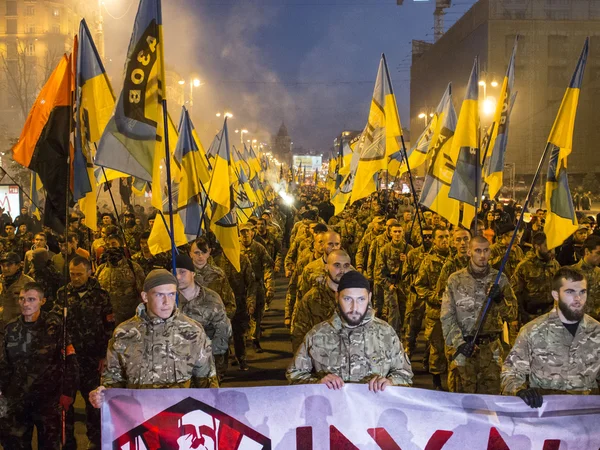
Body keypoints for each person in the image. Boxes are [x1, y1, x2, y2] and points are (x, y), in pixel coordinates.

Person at [89, 269, 218, 409]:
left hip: (180, 420)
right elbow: (112, 380)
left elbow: (207, 383)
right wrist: (102, 396)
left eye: (171, 294)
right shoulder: (125, 333)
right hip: (138, 420)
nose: (166, 302)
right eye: (159, 295)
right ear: (145, 296)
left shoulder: (193, 331)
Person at [287, 270, 413, 389]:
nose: (354, 307)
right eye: (347, 299)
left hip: (373, 410)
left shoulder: (386, 333)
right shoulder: (317, 334)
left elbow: (405, 375)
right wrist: (318, 383)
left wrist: (390, 382)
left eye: (361, 299)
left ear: (369, 297)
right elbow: (294, 375)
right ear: (337, 297)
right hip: (333, 410)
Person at [502, 268, 600, 407]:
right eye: (570, 292)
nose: (578, 299)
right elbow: (511, 372)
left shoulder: (596, 331)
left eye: (582, 292)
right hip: (547, 416)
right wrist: (519, 391)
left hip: (585, 417)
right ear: (555, 294)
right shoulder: (532, 331)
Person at [0, 282, 78, 449]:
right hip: (18, 400)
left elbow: (70, 361)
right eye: (22, 299)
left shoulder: (55, 326)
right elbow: (4, 363)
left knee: (49, 445)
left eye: (31, 299)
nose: (25, 304)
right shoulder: (11, 328)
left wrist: (68, 392)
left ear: (42, 301)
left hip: (48, 400)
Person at [441, 236, 517, 394]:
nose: (482, 255)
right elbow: (447, 316)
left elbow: (512, 315)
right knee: (462, 403)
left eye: (486, 250)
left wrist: (500, 300)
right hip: (464, 351)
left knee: (489, 406)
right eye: (477, 251)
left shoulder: (500, 279)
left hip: (491, 352)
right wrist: (459, 343)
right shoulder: (455, 280)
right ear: (469, 252)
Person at [56, 256, 114, 449]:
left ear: (89, 272)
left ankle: (96, 441)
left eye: (79, 274)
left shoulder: (101, 295)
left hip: (92, 358)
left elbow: (109, 327)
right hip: (68, 358)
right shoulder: (62, 294)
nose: (75, 278)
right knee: (66, 402)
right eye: (72, 274)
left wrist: (105, 355)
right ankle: (68, 442)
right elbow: (56, 324)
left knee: (94, 404)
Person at [175, 254, 232, 379]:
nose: (178, 277)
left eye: (182, 272)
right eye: (174, 272)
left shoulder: (211, 298)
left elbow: (223, 330)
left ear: (193, 273)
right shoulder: (167, 300)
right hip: (177, 365)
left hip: (207, 362)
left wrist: (209, 356)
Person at [290, 250, 352, 352]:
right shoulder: (311, 299)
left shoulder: (357, 298)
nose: (342, 270)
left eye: (346, 266)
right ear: (326, 267)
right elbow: (299, 337)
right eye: (337, 265)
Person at [414, 226, 451, 390]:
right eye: (441, 237)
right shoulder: (428, 261)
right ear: (434, 240)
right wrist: (435, 298)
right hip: (435, 313)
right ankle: (436, 381)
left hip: (454, 313)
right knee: (436, 349)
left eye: (447, 236)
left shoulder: (456, 259)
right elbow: (419, 285)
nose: (445, 240)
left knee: (452, 348)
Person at [512, 232, 561, 325]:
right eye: (547, 246)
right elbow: (516, 293)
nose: (551, 250)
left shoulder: (555, 265)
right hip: (531, 317)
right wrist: (519, 317)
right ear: (537, 246)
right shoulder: (524, 266)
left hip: (551, 316)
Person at [95, 234, 145, 325]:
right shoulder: (101, 269)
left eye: (113, 244)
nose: (110, 247)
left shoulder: (133, 268)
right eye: (108, 245)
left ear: (121, 245)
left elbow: (142, 292)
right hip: (107, 320)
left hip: (129, 319)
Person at [239, 223, 274, 353]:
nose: (245, 235)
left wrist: (269, 285)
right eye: (242, 232)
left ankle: (255, 339)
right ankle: (241, 345)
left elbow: (267, 266)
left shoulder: (259, 248)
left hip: (257, 285)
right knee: (242, 315)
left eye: (247, 232)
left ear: (252, 233)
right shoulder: (235, 249)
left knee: (257, 313)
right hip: (242, 287)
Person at [374, 223, 413, 335]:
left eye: (399, 232)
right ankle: (392, 337)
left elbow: (416, 270)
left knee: (406, 313)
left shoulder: (409, 249)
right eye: (395, 232)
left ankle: (405, 339)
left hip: (405, 286)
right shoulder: (384, 250)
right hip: (390, 285)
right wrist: (388, 285)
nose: (397, 234)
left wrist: (407, 261)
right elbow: (379, 272)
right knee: (393, 313)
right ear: (390, 233)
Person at [189, 236, 237, 319]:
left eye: (204, 252)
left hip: (214, 325)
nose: (200, 256)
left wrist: (220, 321)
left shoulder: (218, 275)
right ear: (190, 254)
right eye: (197, 252)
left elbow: (230, 305)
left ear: (209, 252)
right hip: (191, 326)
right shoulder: (183, 276)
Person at [0, 252, 35, 336]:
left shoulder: (28, 283)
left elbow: (34, 308)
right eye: (2, 265)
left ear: (18, 265)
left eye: (9, 265)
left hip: (19, 331)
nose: (5, 268)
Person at [569, 235, 600, 321]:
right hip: (577, 322)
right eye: (598, 253)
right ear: (587, 251)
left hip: (596, 323)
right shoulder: (572, 272)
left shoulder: (599, 273)